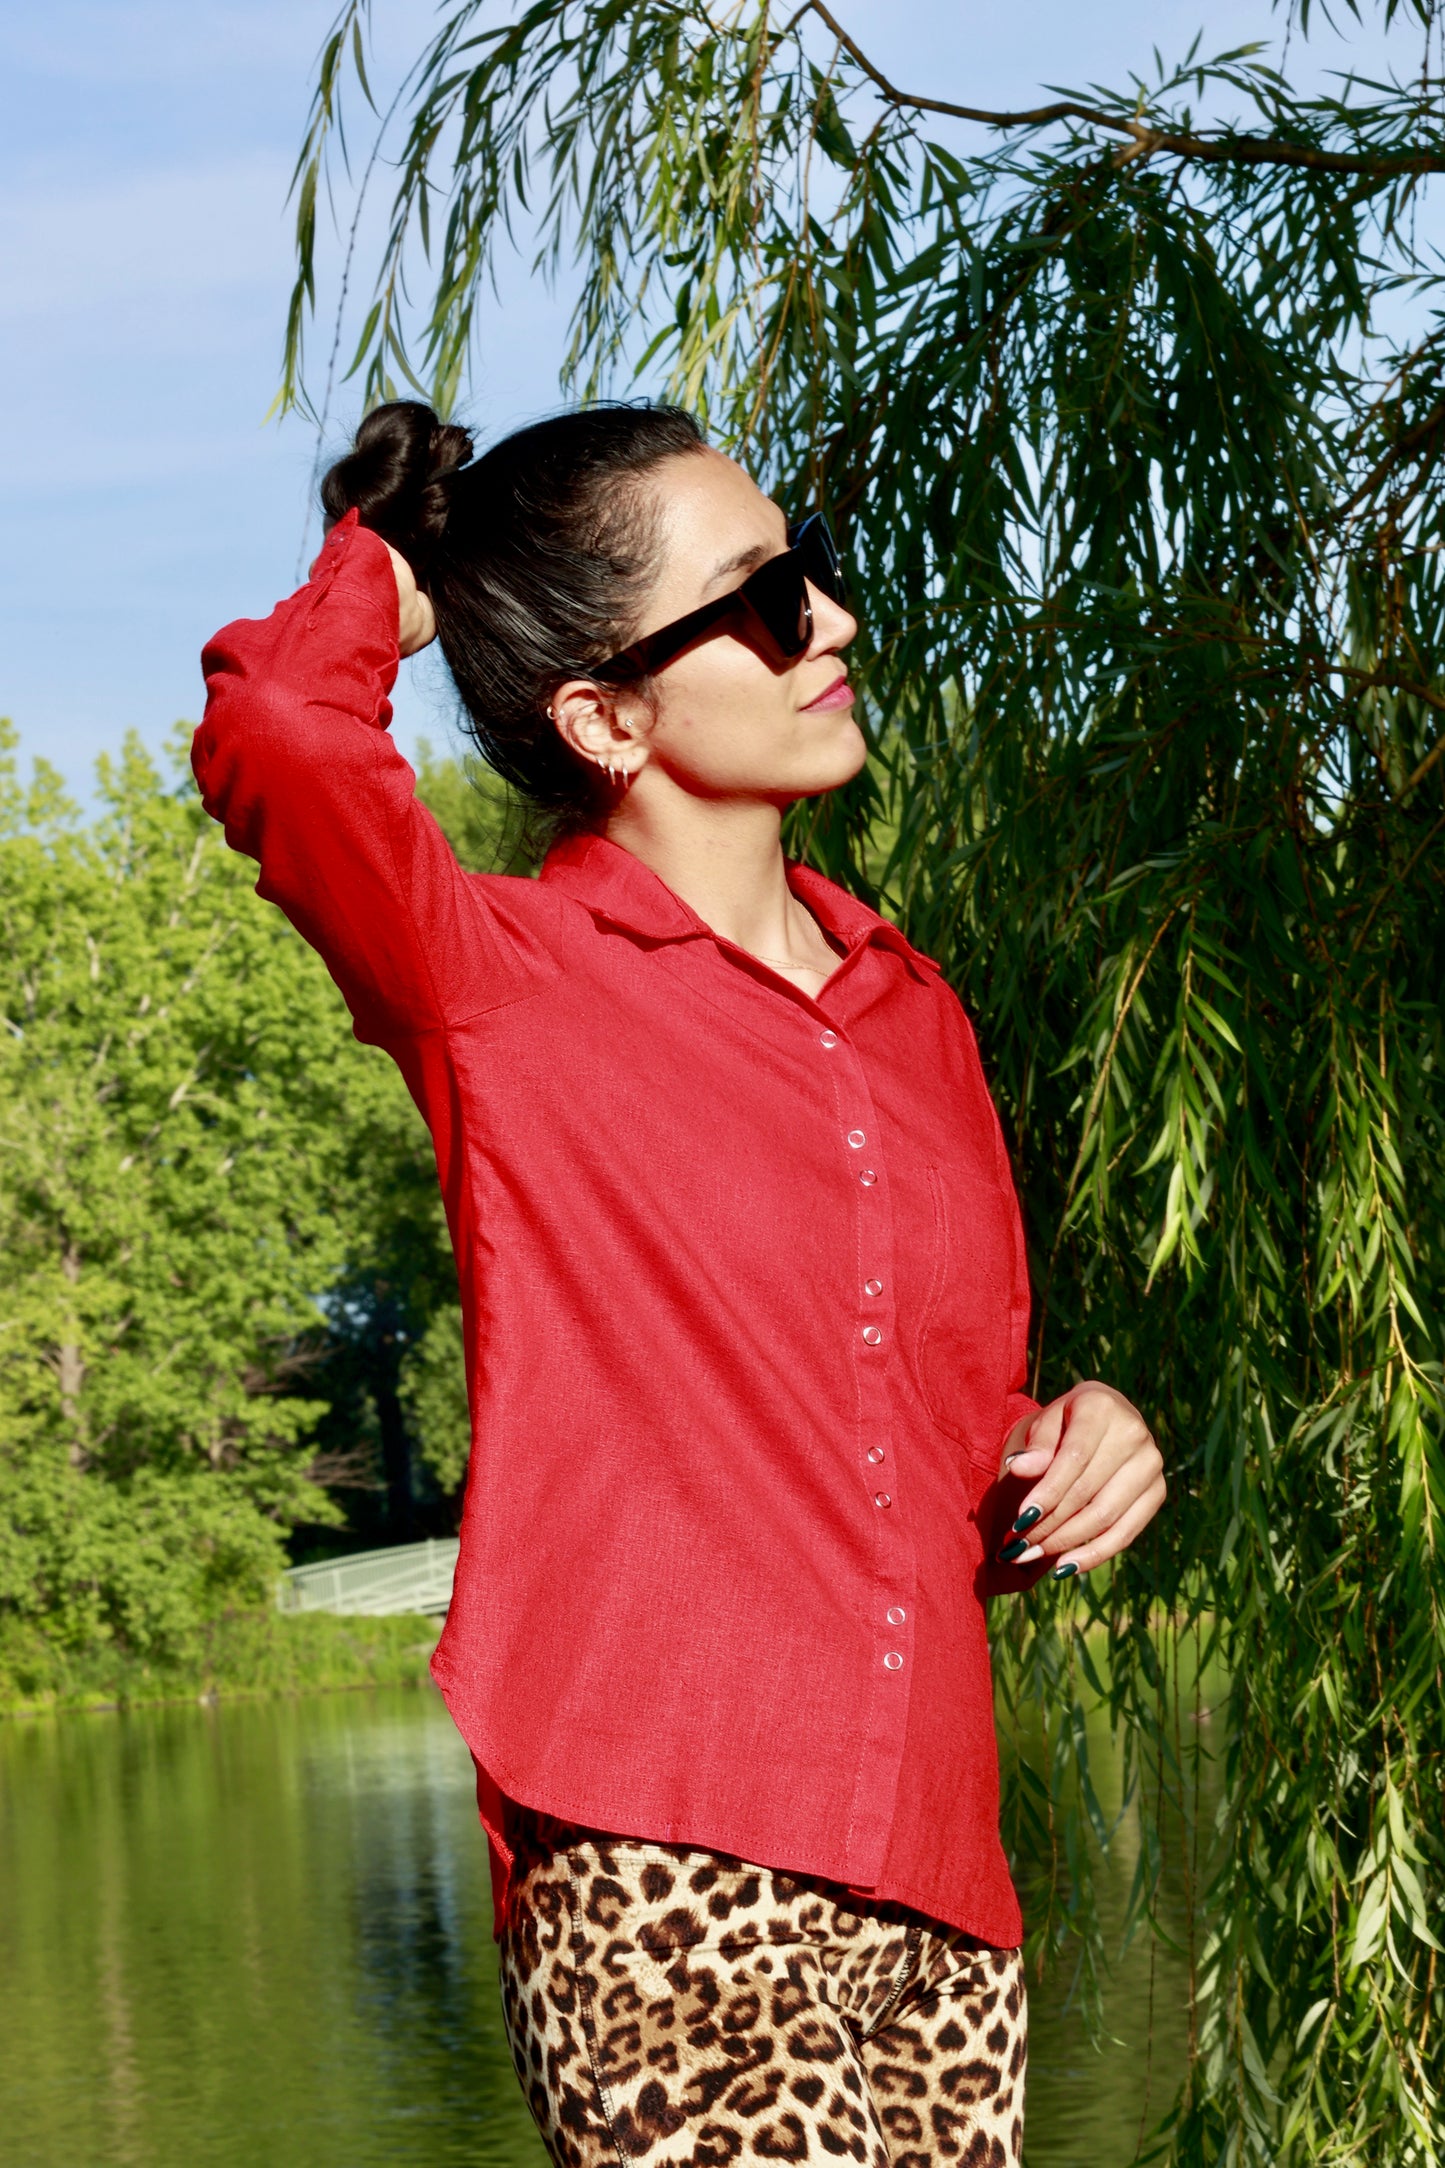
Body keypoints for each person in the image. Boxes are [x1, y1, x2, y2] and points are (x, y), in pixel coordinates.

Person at [196, 399, 1165, 2168]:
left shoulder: (912, 1010)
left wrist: (1076, 1445)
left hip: (940, 1879)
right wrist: (391, 571)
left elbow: (921, 1462)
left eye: (818, 579)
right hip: (666, 1853)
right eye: (766, 599)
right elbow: (278, 732)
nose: (834, 627)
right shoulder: (501, 979)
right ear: (604, 714)